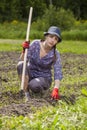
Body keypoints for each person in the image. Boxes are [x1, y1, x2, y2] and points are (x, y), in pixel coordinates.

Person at [17, 26, 63, 101]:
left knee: (34, 85)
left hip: (44, 78)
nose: (53, 40)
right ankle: (26, 93)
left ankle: (43, 91)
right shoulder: (35, 44)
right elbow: (22, 60)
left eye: (56, 39)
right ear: (46, 36)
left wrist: (56, 89)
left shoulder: (55, 54)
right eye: (51, 37)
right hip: (30, 74)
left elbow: (58, 72)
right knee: (20, 65)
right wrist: (24, 51)